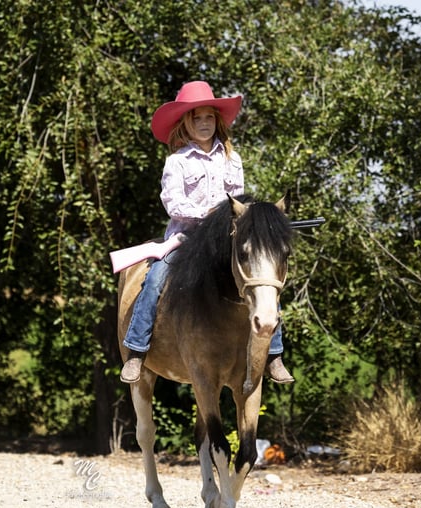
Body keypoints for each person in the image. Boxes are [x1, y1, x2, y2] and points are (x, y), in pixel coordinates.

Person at [120, 80, 293, 385]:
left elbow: (235, 198)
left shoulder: (232, 159)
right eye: (196, 118)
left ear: (217, 121)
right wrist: (209, 215)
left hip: (224, 239)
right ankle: (136, 350)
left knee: (264, 273)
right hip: (185, 238)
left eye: (209, 118)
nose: (204, 123)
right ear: (186, 124)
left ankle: (274, 353)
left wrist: (238, 217)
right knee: (155, 278)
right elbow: (173, 202)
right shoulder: (177, 162)